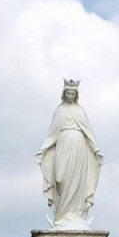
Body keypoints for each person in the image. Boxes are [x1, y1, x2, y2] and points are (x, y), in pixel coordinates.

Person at [36, 79, 104, 229]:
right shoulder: (59, 111)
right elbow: (52, 134)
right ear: (64, 93)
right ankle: (62, 214)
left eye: (73, 93)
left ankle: (75, 215)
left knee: (76, 180)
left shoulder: (81, 111)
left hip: (79, 146)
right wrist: (43, 149)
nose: (71, 95)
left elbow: (89, 133)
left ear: (76, 94)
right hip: (63, 144)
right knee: (60, 178)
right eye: (68, 93)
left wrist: (95, 149)